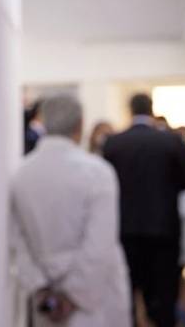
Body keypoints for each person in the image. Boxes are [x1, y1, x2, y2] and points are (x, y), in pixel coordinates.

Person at [11, 95, 131, 327]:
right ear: (80, 124)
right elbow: (100, 244)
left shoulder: (21, 174)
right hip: (94, 296)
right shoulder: (98, 172)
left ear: (43, 121)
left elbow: (17, 241)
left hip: (48, 294)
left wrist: (41, 289)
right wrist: (73, 295)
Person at [103, 93, 185, 327]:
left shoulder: (113, 143)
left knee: (127, 291)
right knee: (164, 292)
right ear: (151, 109)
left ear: (130, 110)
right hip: (163, 228)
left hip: (125, 229)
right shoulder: (171, 141)